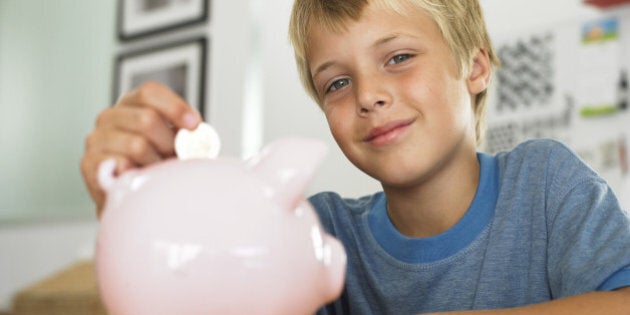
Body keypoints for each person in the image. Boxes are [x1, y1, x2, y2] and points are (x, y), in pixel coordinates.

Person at [81, 0, 630, 313]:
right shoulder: (312, 228)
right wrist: (127, 215)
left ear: (476, 67)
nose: (367, 94)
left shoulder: (545, 183)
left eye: (398, 57)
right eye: (337, 82)